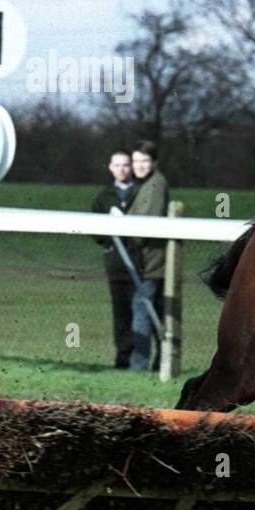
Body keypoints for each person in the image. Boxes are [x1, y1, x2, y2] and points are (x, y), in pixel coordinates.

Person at [124, 140, 170, 371]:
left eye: (144, 161)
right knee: (155, 312)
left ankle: (139, 366)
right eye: (136, 161)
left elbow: (147, 222)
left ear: (154, 163)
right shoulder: (143, 184)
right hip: (145, 261)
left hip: (151, 262)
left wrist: (127, 234)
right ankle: (159, 363)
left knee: (142, 310)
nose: (139, 165)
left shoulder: (155, 185)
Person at [90, 150, 138, 368]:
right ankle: (123, 358)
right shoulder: (103, 197)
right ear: (110, 167)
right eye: (117, 165)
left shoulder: (141, 193)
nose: (122, 169)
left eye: (126, 165)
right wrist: (110, 238)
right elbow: (95, 230)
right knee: (121, 314)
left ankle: (143, 359)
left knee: (142, 313)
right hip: (116, 265)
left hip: (141, 264)